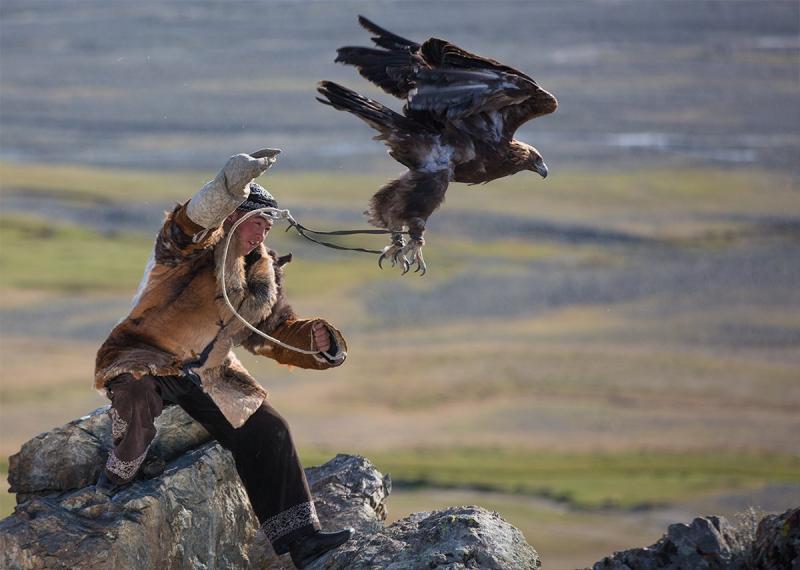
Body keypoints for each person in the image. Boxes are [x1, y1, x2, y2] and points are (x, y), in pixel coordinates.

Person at [93, 150, 353, 568]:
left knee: (271, 431)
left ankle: (303, 542)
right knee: (137, 392)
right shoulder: (185, 250)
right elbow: (190, 220)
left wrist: (319, 341)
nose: (263, 233)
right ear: (232, 217)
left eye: (268, 227)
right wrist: (226, 185)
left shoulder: (260, 273)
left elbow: (275, 333)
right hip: (146, 353)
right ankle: (118, 474)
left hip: (212, 374)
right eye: (257, 221)